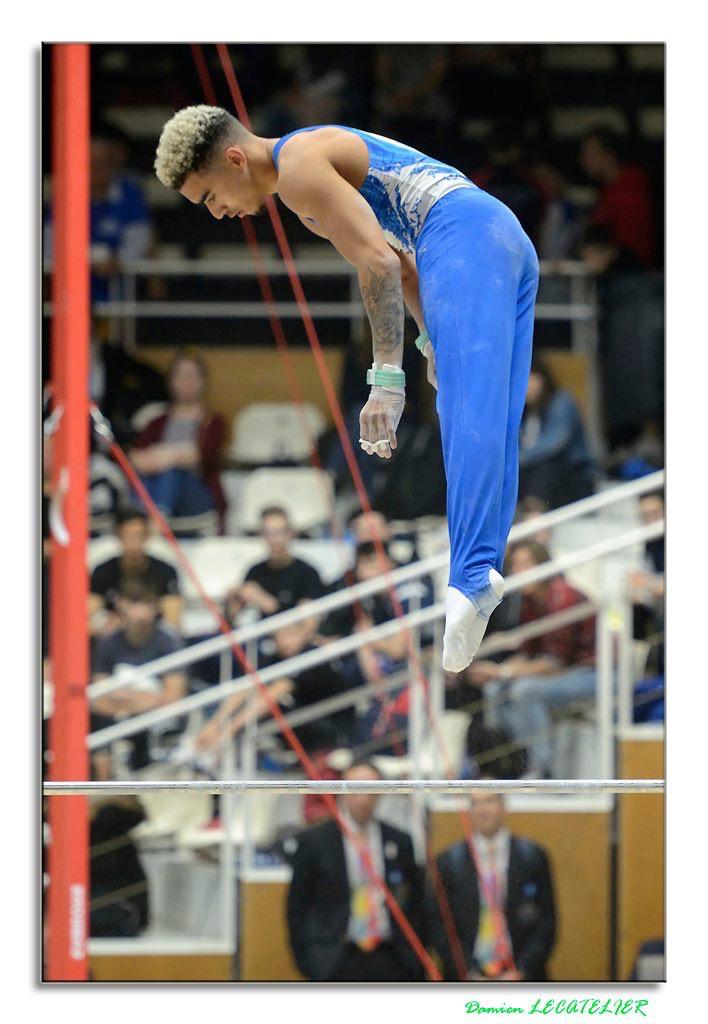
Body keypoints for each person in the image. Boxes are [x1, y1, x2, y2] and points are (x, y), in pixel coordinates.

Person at [154, 105, 540, 676]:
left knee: (470, 418)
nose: (215, 213)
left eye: (210, 196)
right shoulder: (308, 169)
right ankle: (480, 572)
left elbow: (379, 264)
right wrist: (431, 342)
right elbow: (405, 270)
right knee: (493, 418)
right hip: (496, 236)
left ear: (235, 159)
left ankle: (470, 575)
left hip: (461, 237)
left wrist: (385, 382)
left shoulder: (298, 171)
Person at [286, 759, 425, 981]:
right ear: (342, 790)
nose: (363, 798)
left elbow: (417, 901)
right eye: (356, 789)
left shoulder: (399, 841)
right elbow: (297, 906)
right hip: (336, 958)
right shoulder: (315, 841)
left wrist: (413, 960)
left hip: (390, 956)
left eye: (371, 790)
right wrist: (310, 964)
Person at [470, 541, 595, 779]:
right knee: (495, 689)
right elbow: (530, 652)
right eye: (516, 565)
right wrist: (496, 671)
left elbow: (555, 663)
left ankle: (542, 768)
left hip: (593, 672)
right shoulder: (529, 598)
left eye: (527, 563)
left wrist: (503, 671)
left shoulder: (562, 595)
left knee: (525, 690)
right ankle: (521, 760)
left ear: (543, 564)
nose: (520, 571)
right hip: (565, 670)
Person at [428, 785, 555, 980]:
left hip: (521, 974)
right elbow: (439, 925)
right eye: (475, 803)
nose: (483, 809)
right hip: (468, 976)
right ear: (468, 811)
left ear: (504, 807)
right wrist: (467, 971)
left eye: (490, 801)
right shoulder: (449, 862)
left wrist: (521, 970)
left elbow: (547, 922)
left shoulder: (532, 856)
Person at [91, 582, 187, 775]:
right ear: (122, 606)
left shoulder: (168, 641)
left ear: (156, 607)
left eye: (147, 604)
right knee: (96, 725)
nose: (141, 613)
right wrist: (142, 700)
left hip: (151, 720)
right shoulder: (109, 643)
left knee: (145, 729)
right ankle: (101, 788)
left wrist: (122, 698)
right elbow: (99, 698)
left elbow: (173, 698)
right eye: (135, 604)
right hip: (119, 716)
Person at [130, 349, 226, 534]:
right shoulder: (157, 420)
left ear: (202, 380)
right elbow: (136, 459)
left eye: (191, 376)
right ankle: (144, 520)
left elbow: (200, 457)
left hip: (195, 494)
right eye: (180, 375)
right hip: (155, 488)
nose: (186, 382)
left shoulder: (212, 421)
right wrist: (178, 454)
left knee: (171, 473)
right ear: (171, 381)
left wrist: (160, 455)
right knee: (142, 479)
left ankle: (155, 524)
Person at [518, 354, 595, 509]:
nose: (524, 387)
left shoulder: (561, 401)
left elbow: (554, 443)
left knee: (545, 465)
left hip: (574, 476)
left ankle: (535, 518)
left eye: (529, 379)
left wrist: (519, 459)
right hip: (542, 482)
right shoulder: (525, 413)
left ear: (542, 378)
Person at [89, 509, 182, 635]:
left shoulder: (165, 571)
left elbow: (173, 621)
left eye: (139, 536)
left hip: (154, 638)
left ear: (147, 536)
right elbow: (84, 617)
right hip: (115, 638)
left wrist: (139, 622)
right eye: (128, 536)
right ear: (118, 536)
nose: (133, 543)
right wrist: (104, 629)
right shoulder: (103, 571)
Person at [225, 506, 324, 621]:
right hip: (260, 636)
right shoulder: (255, 571)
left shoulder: (307, 574)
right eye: (269, 533)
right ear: (261, 535)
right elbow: (230, 622)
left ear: (291, 533)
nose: (275, 539)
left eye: (280, 532)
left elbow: (303, 630)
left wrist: (268, 603)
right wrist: (232, 602)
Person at [579, 128, 654, 267]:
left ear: (609, 155)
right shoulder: (605, 191)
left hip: (634, 275)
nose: (583, 161)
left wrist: (609, 254)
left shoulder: (632, 186)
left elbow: (633, 245)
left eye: (589, 154)